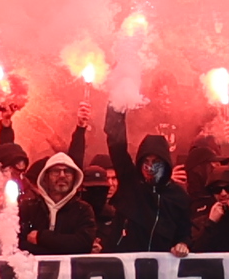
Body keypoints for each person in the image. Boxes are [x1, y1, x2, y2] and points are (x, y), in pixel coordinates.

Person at [103, 108, 194, 254]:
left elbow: (184, 231)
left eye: (156, 162)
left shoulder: (179, 196)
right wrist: (116, 108)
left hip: (160, 270)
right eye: (146, 160)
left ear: (165, 163)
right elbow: (116, 145)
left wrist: (182, 244)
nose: (150, 167)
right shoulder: (131, 183)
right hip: (124, 266)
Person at [19, 152, 96, 255]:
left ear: (75, 177)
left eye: (67, 171)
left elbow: (83, 244)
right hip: (33, 270)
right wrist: (59, 248)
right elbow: (19, 244)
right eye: (56, 171)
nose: (62, 176)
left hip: (71, 270)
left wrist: (42, 237)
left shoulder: (83, 209)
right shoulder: (29, 207)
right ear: (45, 177)